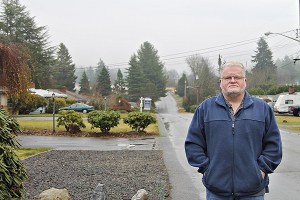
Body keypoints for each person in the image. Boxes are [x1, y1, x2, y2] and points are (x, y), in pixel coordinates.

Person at [185, 61, 282, 200]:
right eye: (227, 77)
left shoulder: (262, 109)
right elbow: (193, 143)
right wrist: (207, 169)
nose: (232, 80)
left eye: (237, 77)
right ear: (220, 82)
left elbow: (274, 145)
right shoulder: (205, 109)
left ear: (245, 81)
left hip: (253, 191)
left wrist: (260, 170)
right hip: (216, 191)